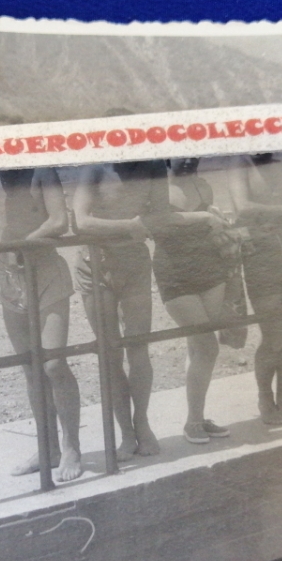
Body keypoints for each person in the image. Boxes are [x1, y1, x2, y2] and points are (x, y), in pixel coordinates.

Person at [0, 166, 84, 482]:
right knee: (30, 368)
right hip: (8, 278)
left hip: (45, 272)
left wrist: (25, 242)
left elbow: (59, 221)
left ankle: (71, 447)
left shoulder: (40, 171)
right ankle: (48, 448)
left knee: (54, 364)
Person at [71, 158, 166, 459]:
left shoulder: (153, 167)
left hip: (135, 263)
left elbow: (161, 214)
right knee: (110, 353)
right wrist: (131, 225)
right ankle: (125, 432)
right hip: (94, 266)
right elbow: (81, 220)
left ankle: (142, 422)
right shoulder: (95, 167)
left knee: (139, 348)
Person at [228, 153, 282, 425]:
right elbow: (243, 208)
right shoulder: (239, 165)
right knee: (274, 335)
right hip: (260, 256)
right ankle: (265, 399)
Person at [151, 157, 234, 444]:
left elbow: (209, 226)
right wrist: (205, 217)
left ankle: (196, 415)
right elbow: (160, 224)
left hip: (210, 269)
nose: (186, 160)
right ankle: (193, 421)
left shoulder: (202, 187)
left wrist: (217, 218)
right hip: (174, 275)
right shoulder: (156, 188)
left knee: (197, 348)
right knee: (207, 346)